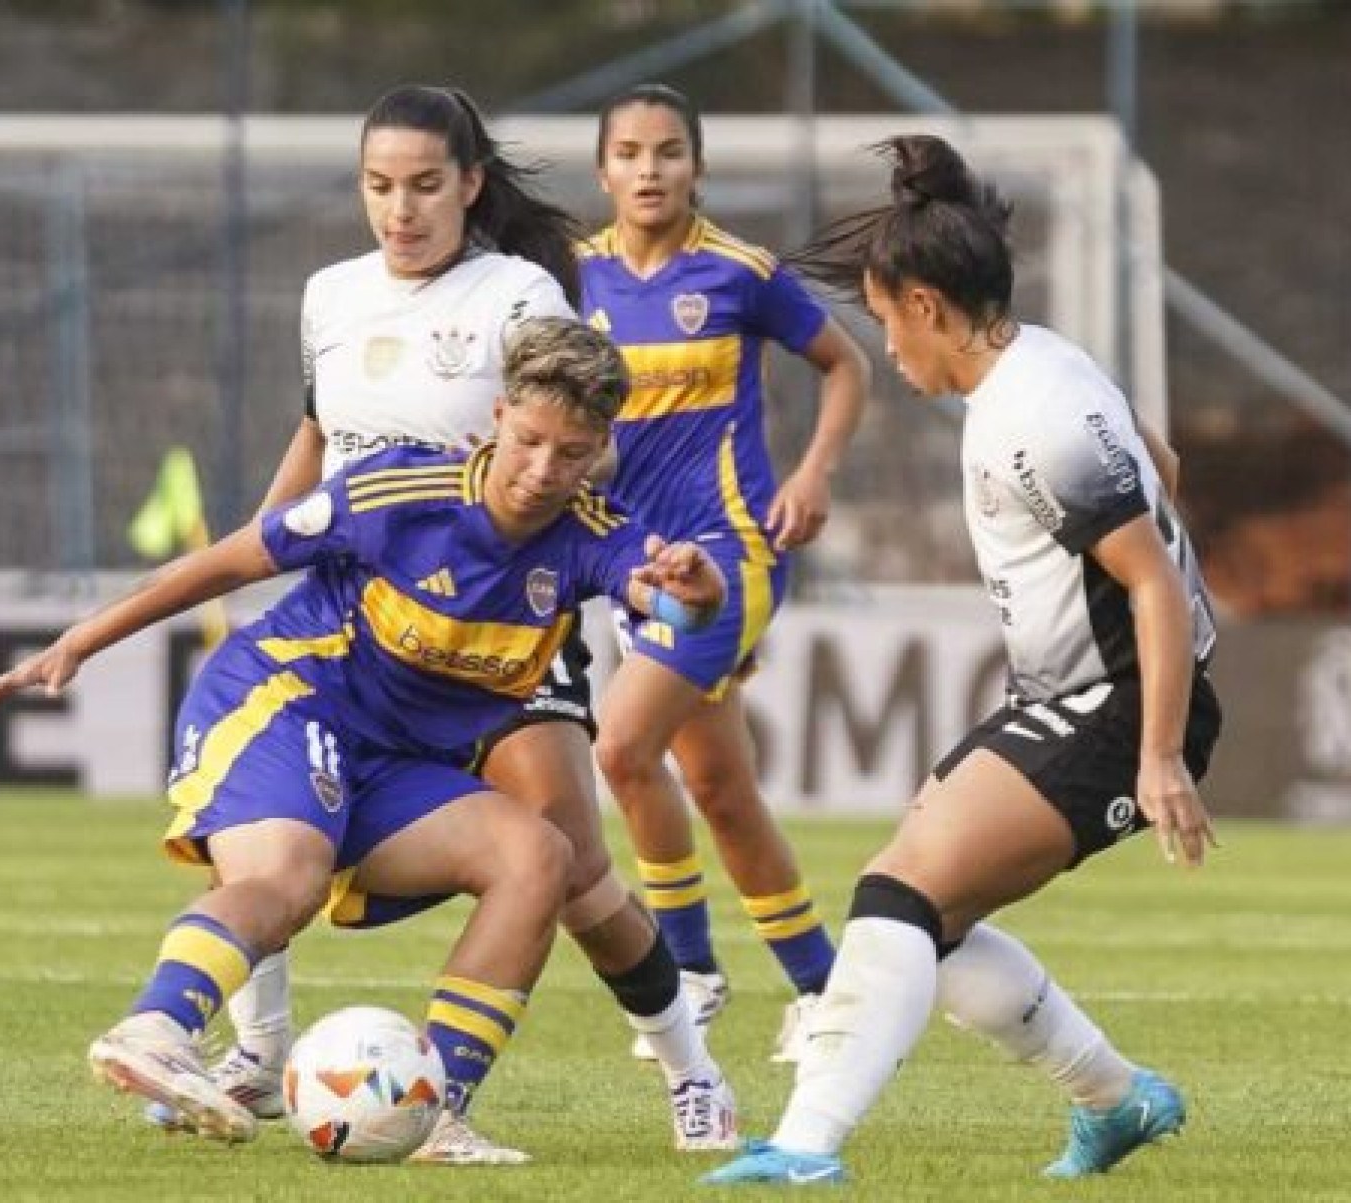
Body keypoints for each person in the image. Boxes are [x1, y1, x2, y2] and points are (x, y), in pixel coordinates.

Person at [0, 319, 731, 1160]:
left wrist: (696, 593)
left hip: (401, 764)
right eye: (530, 440)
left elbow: (664, 596)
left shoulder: (591, 533)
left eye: (572, 452)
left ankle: (434, 1110)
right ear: (498, 414)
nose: (543, 470)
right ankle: (156, 1027)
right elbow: (230, 563)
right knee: (286, 879)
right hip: (288, 700)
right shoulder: (395, 493)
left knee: (540, 858)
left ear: (599, 450)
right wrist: (83, 637)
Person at [199, 85, 739, 1159]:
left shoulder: (521, 293)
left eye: (425, 186)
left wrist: (590, 539)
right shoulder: (332, 296)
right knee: (263, 808)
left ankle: (691, 1068)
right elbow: (319, 436)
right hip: (359, 625)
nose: (401, 210)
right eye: (380, 187)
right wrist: (262, 549)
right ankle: (260, 1056)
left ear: (471, 186)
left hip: (501, 631)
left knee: (574, 872)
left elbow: (583, 432)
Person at [703, 134, 1223, 1187]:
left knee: (896, 900)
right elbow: (1160, 465)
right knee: (917, 920)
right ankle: (1118, 1100)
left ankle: (804, 1151)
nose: (889, 351)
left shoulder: (1032, 417)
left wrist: (1158, 754)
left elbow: (1153, 586)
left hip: (1117, 706)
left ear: (929, 306)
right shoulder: (1050, 364)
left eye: (889, 322)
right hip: (1077, 695)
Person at [578, 84, 871, 1061]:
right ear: (603, 170)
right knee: (723, 792)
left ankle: (690, 971)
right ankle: (826, 992)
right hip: (637, 568)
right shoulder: (573, 278)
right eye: (629, 152)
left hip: (733, 555)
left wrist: (815, 471)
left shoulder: (740, 272)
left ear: (696, 166)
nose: (649, 170)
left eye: (668, 151)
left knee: (620, 750)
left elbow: (847, 365)